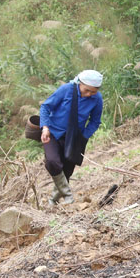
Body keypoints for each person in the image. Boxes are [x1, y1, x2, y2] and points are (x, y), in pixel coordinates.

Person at [39, 70, 103, 205]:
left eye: (93, 92)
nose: (89, 94)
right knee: (52, 162)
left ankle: (53, 201)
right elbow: (45, 107)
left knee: (67, 170)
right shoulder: (66, 90)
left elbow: (95, 121)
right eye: (87, 90)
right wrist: (45, 127)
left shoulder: (97, 99)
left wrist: (83, 136)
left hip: (75, 137)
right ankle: (68, 196)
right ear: (80, 83)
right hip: (53, 133)